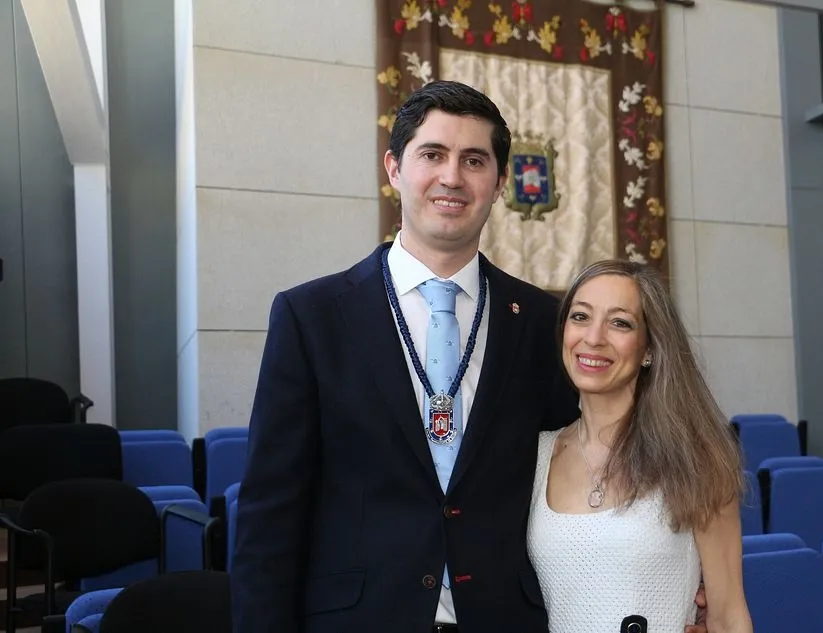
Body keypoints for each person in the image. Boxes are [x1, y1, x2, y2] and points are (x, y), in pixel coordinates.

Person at [230, 80, 709, 633]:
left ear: (500, 183)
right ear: (394, 168)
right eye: (432, 154)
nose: (452, 177)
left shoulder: (542, 322)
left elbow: (605, 456)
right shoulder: (311, 317)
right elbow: (270, 515)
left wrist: (683, 584)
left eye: (474, 161)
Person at [527, 259, 753, 633]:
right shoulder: (534, 456)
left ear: (649, 348)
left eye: (620, 323)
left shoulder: (696, 459)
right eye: (580, 317)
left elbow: (728, 615)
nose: (594, 337)